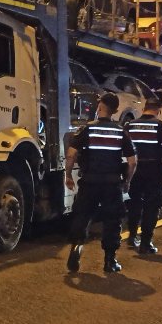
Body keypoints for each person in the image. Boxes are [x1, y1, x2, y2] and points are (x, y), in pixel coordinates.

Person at [64, 93, 137, 273]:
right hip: (112, 184)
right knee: (112, 220)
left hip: (89, 182)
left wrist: (68, 176)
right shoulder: (121, 132)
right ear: (115, 110)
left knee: (82, 215)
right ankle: (109, 261)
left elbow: (71, 154)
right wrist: (127, 181)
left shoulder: (86, 129)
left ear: (100, 107)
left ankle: (77, 246)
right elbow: (132, 162)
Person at [124, 98, 162, 254]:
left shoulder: (130, 126)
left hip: (135, 170)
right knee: (152, 206)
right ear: (159, 111)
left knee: (134, 204)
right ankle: (145, 243)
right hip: (154, 170)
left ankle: (132, 236)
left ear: (143, 110)